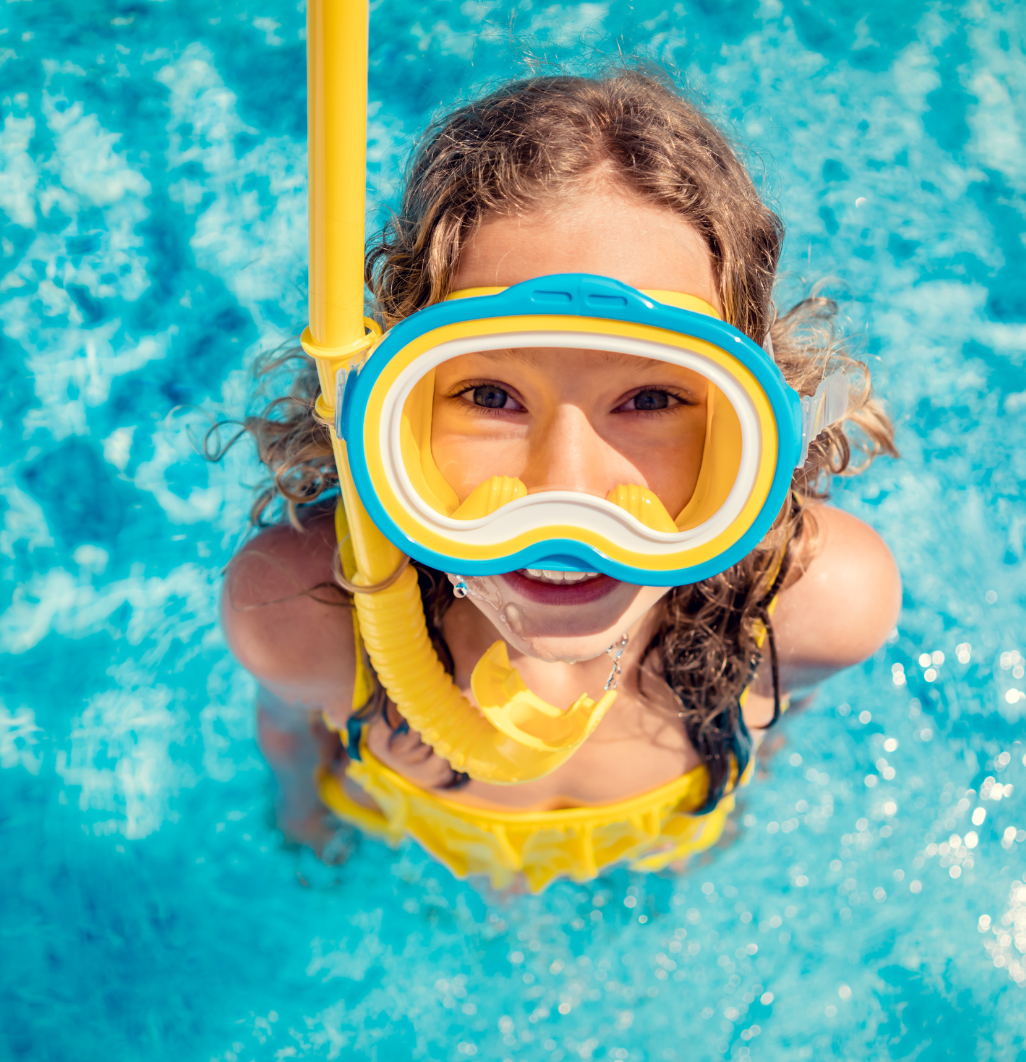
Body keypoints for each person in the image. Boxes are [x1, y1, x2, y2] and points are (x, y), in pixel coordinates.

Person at [220, 71, 901, 891]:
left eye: (651, 399)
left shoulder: (813, 610)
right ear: (386, 414)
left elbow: (780, 723)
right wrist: (303, 825)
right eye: (488, 396)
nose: (567, 492)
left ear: (757, 425)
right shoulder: (301, 614)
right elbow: (289, 736)